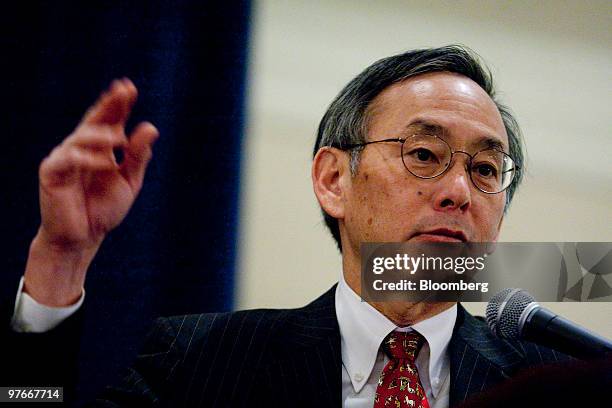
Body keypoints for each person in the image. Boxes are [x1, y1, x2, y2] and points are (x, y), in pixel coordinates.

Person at [5, 46, 569, 407]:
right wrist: (60, 257)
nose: (458, 191)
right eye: (424, 154)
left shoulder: (558, 388)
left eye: (485, 169)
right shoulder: (198, 362)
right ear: (332, 180)